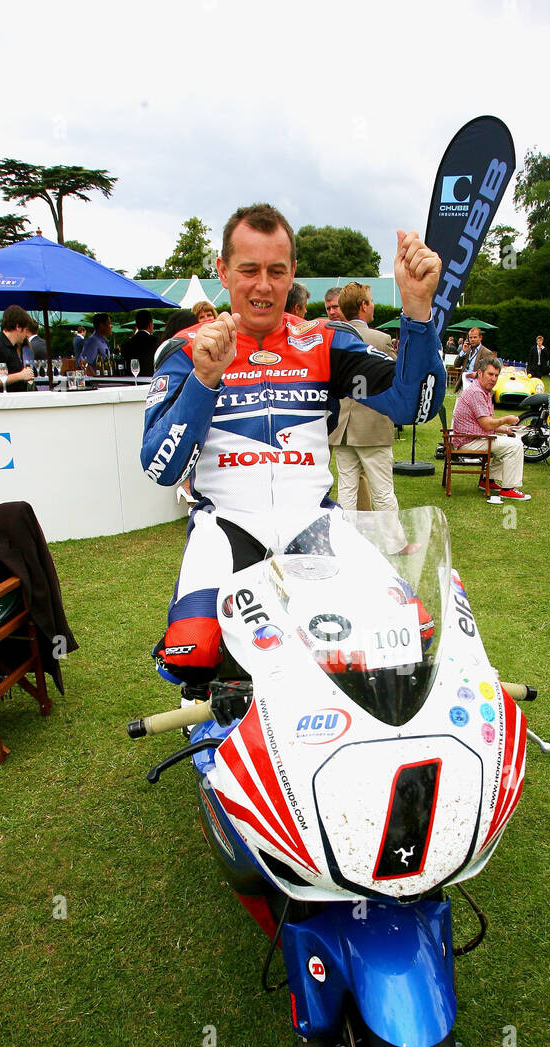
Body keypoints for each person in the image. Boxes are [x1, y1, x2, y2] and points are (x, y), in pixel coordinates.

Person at [141, 201, 445, 687]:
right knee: (191, 650)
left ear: (292, 274)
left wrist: (417, 312)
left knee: (414, 625)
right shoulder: (187, 348)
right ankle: (219, 721)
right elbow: (159, 466)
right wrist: (203, 380)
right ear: (222, 270)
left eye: (276, 271)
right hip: (228, 524)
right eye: (249, 270)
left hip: (313, 523)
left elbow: (416, 404)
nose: (263, 285)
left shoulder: (326, 342)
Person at [329, 281, 402, 526]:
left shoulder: (333, 338)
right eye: (370, 302)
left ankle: (345, 540)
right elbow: (394, 380)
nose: (372, 307)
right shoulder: (381, 340)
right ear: (363, 306)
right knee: (382, 491)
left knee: (346, 490)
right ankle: (393, 542)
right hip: (372, 426)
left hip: (342, 427)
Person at [451, 355, 531, 503]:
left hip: (474, 437)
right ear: (480, 373)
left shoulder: (482, 390)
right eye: (490, 374)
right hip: (468, 441)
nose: (493, 378)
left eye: (496, 375)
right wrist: (506, 419)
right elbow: (487, 425)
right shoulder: (476, 392)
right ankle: (508, 489)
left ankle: (487, 480)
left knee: (508, 440)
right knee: (515, 445)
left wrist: (508, 430)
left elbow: (487, 423)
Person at [0, 305, 37, 392]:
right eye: (26, 330)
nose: (26, 334)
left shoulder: (11, 346)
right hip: (3, 402)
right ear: (18, 327)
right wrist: (20, 375)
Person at [120, 310, 158, 377]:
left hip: (131, 381)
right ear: (150, 324)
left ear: (136, 325)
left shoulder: (126, 344)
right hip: (151, 379)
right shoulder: (156, 341)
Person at [454, 327, 491, 393]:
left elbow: (488, 372)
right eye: (470, 338)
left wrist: (476, 374)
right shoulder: (466, 350)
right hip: (464, 385)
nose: (472, 339)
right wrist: (463, 352)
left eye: (475, 337)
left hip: (477, 387)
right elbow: (456, 365)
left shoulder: (487, 353)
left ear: (480, 338)